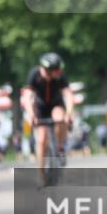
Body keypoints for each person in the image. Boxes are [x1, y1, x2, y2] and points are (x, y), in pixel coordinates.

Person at [20, 53, 76, 185]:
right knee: (41, 139)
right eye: (57, 70)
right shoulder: (35, 74)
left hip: (56, 105)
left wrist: (69, 113)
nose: (60, 72)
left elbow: (68, 94)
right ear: (48, 70)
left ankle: (60, 147)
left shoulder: (60, 76)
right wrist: (30, 114)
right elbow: (27, 95)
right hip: (40, 108)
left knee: (60, 117)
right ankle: (41, 175)